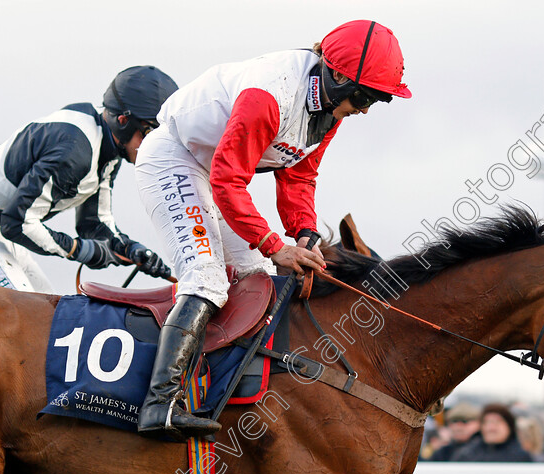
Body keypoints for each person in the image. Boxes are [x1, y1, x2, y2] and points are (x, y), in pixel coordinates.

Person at [133, 20, 411, 438]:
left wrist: (304, 233)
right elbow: (230, 181)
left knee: (253, 279)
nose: (367, 108)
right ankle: (160, 405)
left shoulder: (330, 109)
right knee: (207, 279)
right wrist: (272, 243)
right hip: (175, 159)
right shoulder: (269, 95)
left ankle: (216, 390)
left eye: (378, 99)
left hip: (212, 172)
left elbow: (299, 177)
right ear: (336, 76)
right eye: (365, 95)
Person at [0, 66, 178, 292]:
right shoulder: (74, 150)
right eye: (151, 132)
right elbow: (17, 222)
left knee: (53, 319)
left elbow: (93, 223)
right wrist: (77, 249)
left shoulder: (107, 151)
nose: (155, 145)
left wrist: (129, 249)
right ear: (123, 121)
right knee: (27, 321)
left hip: (0, 232)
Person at [451, 403, 540, 474]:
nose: (491, 428)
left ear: (509, 426)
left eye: (497, 422)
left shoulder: (521, 456)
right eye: (486, 422)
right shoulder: (468, 453)